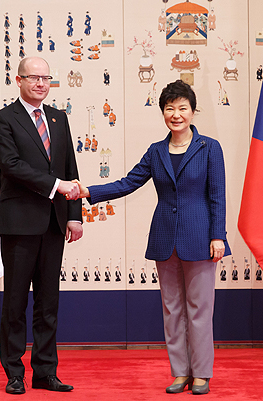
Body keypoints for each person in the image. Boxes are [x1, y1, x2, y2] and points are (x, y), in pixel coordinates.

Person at [75, 80, 230, 395]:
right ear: (163, 112)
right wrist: (90, 191)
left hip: (200, 238)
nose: (176, 114)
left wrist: (218, 236)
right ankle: (179, 372)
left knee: (200, 308)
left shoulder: (209, 147)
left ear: (192, 110)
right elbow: (129, 182)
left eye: (182, 108)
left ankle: (201, 373)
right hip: (164, 238)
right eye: (170, 108)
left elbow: (217, 196)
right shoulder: (156, 151)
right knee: (172, 308)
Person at [0, 56, 83, 395]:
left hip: (55, 223)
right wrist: (55, 185)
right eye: (34, 77)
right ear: (18, 79)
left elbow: (70, 166)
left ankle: (45, 372)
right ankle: (14, 373)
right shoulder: (2, 119)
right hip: (19, 223)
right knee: (15, 304)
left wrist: (74, 215)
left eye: (46, 78)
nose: (41, 83)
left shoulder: (58, 118)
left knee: (48, 303)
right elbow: (11, 165)